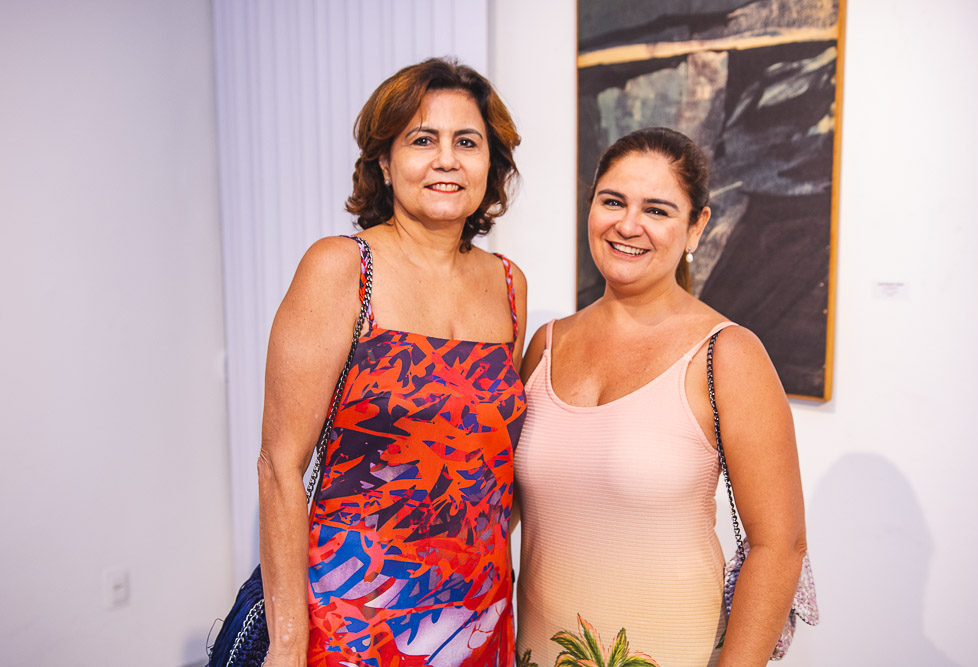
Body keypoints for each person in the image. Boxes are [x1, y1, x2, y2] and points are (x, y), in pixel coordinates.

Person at [257, 58, 527, 667]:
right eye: (423, 140)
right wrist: (288, 645)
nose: (447, 160)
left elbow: (491, 462)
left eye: (467, 142)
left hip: (477, 615)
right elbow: (279, 466)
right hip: (354, 619)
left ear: (491, 163)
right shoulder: (340, 268)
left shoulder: (509, 285)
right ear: (384, 161)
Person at [514, 127, 807, 667]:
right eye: (613, 201)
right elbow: (496, 507)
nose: (628, 225)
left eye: (657, 210)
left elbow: (779, 547)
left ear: (696, 226)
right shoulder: (545, 346)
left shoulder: (727, 355)